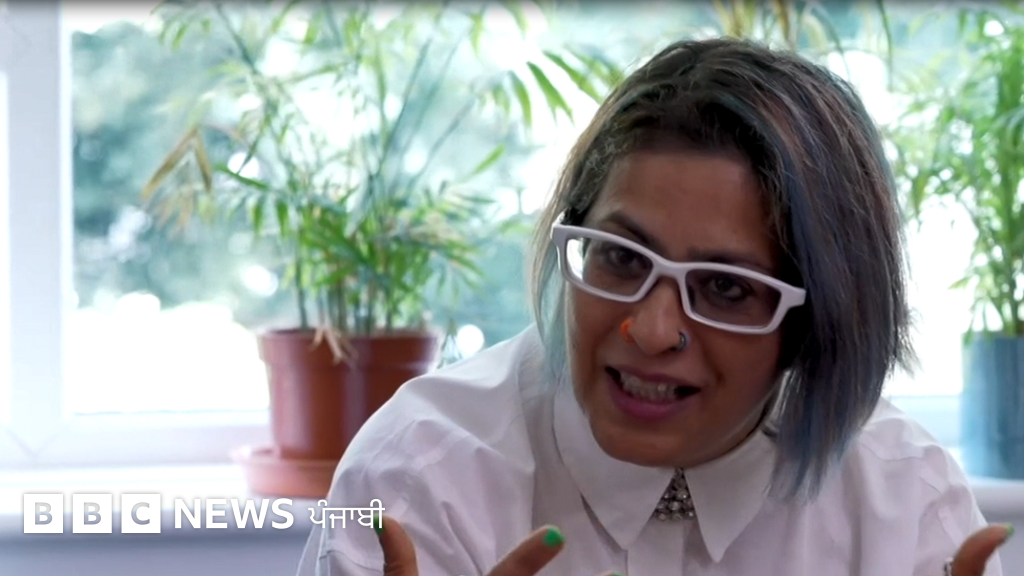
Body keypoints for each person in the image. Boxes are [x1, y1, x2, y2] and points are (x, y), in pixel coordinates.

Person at [295, 37, 1013, 576]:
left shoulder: (905, 503)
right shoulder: (419, 477)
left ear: (813, 326)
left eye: (726, 288)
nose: (652, 329)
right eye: (622, 257)